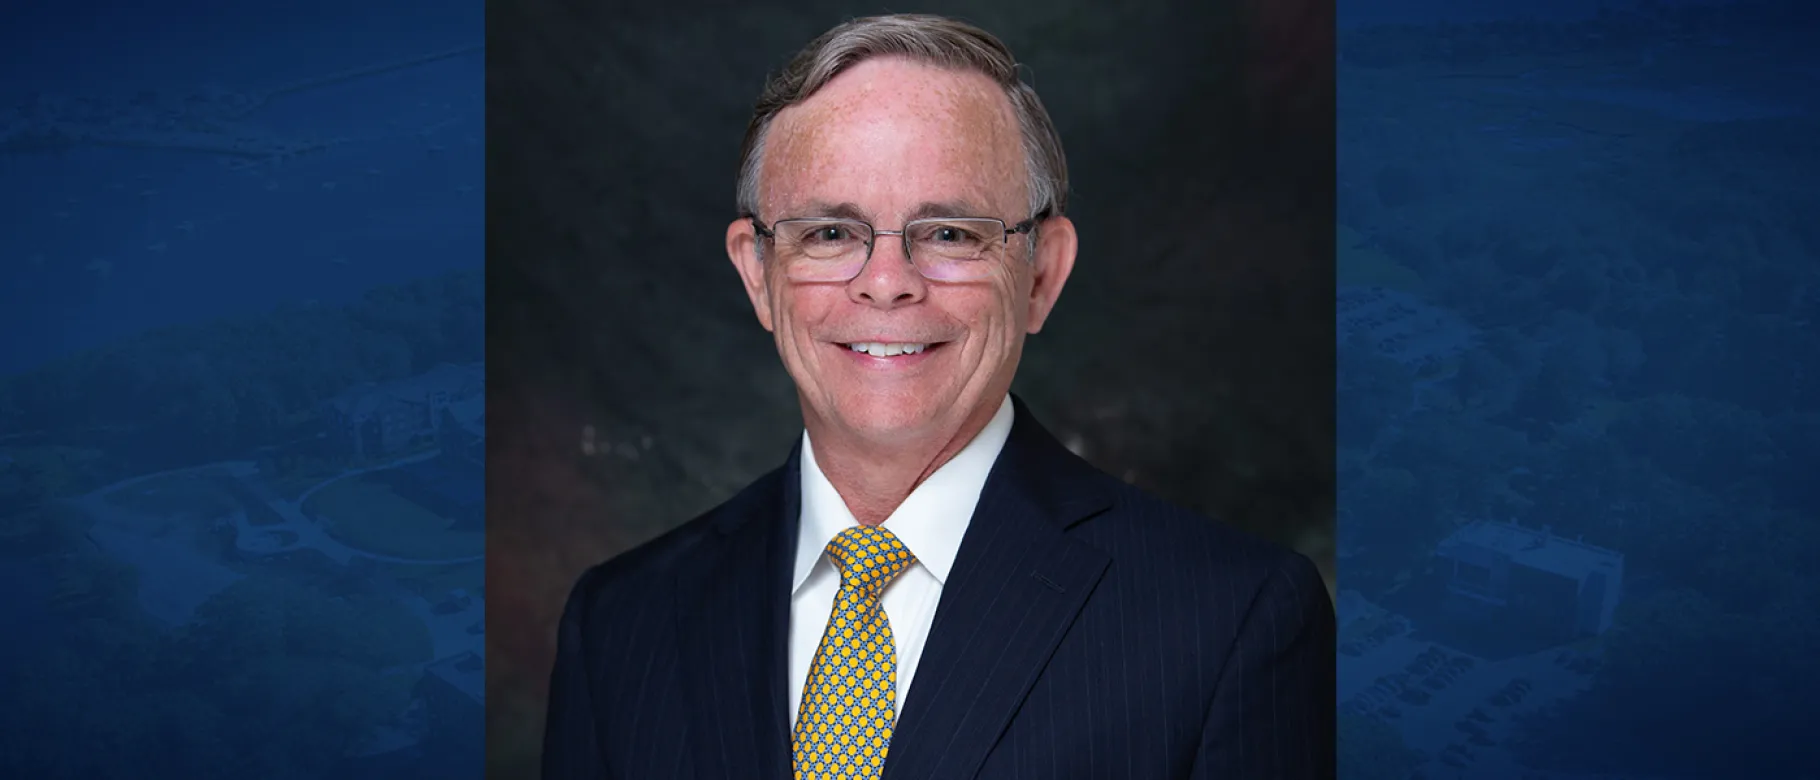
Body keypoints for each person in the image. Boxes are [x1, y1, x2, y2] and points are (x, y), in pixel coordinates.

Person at [542, 13, 1335, 780]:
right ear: (758, 273)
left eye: (951, 233)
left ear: (1041, 274)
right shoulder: (623, 622)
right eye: (829, 233)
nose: (886, 283)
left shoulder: (1231, 620)